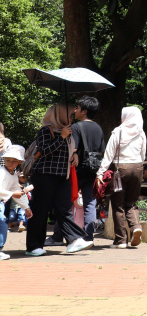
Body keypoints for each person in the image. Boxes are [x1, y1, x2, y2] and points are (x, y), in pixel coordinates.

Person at [25, 104, 91, 255]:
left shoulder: (67, 132)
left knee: (64, 209)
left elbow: (67, 151)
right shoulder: (45, 130)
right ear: (59, 115)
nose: (71, 118)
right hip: (44, 175)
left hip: (62, 176)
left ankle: (74, 240)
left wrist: (74, 155)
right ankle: (33, 246)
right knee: (40, 210)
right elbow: (44, 150)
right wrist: (62, 137)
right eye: (69, 115)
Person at [49, 95, 104, 246]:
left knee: (65, 203)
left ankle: (58, 236)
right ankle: (89, 236)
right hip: (92, 170)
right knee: (90, 203)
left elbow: (72, 148)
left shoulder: (75, 127)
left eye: (77, 108)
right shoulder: (98, 128)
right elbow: (101, 150)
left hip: (76, 171)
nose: (75, 111)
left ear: (84, 111)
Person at [97, 106, 147, 249]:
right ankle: (136, 227)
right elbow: (143, 153)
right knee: (131, 202)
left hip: (120, 169)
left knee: (118, 204)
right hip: (137, 168)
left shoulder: (118, 131)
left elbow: (109, 154)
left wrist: (100, 173)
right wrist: (139, 167)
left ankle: (121, 240)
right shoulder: (141, 132)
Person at [1, 145, 33, 260]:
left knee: (2, 223)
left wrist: (26, 207)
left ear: (19, 162)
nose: (10, 163)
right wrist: (12, 194)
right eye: (8, 160)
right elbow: (13, 193)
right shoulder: (1, 172)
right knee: (1, 222)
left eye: (14, 161)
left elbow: (17, 191)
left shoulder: (14, 175)